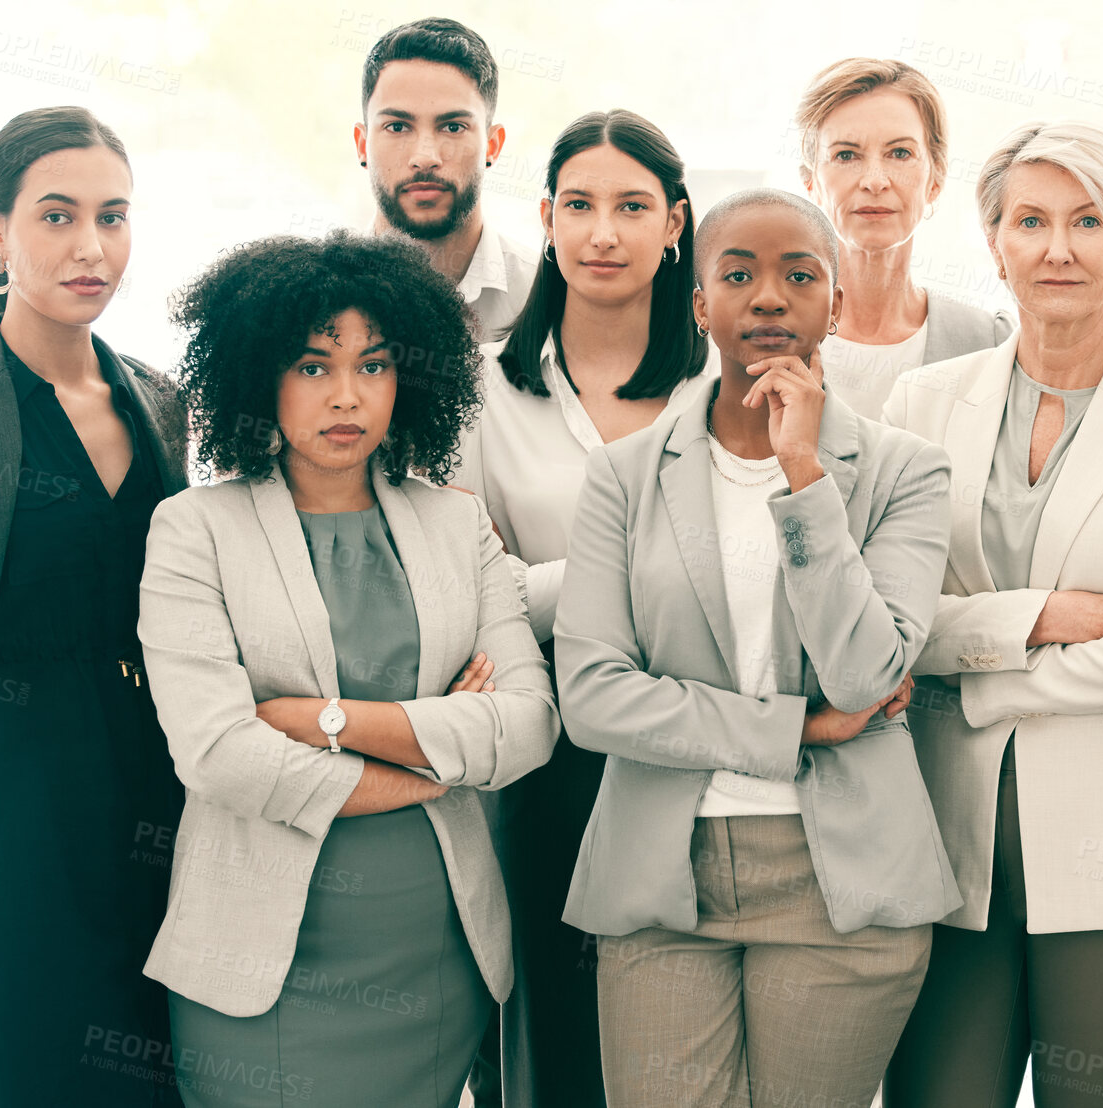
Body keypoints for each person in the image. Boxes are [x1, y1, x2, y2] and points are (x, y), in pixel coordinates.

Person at [138, 229, 559, 1108]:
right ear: (260, 373)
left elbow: (525, 726)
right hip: (259, 970)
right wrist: (439, 764)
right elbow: (218, 754)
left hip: (433, 955)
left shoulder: (455, 523)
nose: (346, 396)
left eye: (372, 365)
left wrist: (318, 721)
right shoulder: (193, 530)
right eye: (312, 365)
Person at [555, 188, 956, 1108]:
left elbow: (867, 673)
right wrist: (796, 732)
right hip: (660, 878)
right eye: (736, 275)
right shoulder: (621, 477)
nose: (767, 298)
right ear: (699, 304)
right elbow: (592, 696)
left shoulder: (903, 470)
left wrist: (803, 473)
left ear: (835, 305)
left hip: (840, 884)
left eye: (798, 276)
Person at [882, 120, 1103, 1108]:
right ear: (992, 238)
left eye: (1087, 221)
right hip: (942, 849)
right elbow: (892, 624)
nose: (1058, 248)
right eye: (1029, 221)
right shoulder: (920, 402)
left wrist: (984, 684)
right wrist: (1041, 614)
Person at [448, 108, 709, 1108]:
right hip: (542, 755)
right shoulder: (478, 392)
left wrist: (553, 583)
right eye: (582, 206)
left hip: (700, 749)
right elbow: (473, 595)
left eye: (633, 206)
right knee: (552, 1042)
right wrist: (642, 576)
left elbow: (747, 580)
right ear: (548, 218)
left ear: (675, 223)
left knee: (683, 1050)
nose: (605, 232)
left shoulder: (721, 384)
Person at [0, 106, 186, 1108]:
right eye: (57, 216)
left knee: (147, 1056)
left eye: (113, 216)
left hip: (154, 778)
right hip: (2, 798)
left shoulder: (159, 399)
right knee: (18, 1053)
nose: (92, 247)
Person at [796, 57, 1008, 419]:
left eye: (900, 153)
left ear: (936, 178)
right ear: (811, 180)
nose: (875, 180)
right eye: (846, 155)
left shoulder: (987, 343)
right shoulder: (763, 334)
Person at [357, 17, 534, 341]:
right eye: (397, 126)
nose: (425, 157)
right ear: (362, 144)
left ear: (492, 145)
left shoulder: (549, 299)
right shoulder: (304, 302)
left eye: (453, 127)